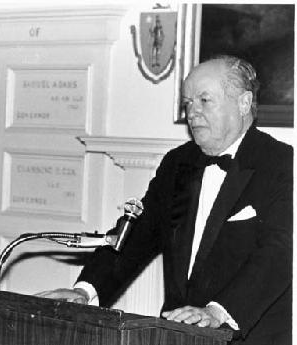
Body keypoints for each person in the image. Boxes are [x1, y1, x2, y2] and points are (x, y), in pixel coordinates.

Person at [37, 55, 292, 345]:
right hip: (177, 335)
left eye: (204, 100)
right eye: (188, 103)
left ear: (244, 103)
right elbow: (136, 235)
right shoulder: (177, 163)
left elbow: (279, 254)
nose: (191, 113)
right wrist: (86, 290)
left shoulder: (282, 164)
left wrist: (218, 311)